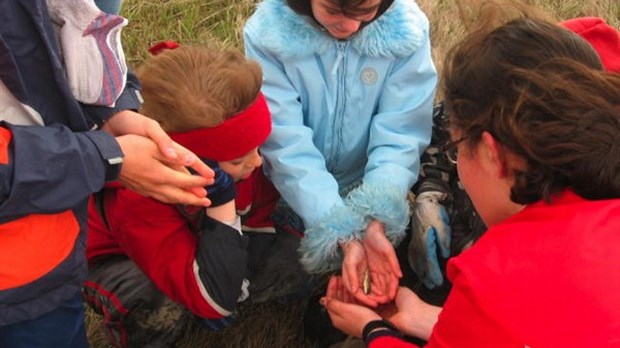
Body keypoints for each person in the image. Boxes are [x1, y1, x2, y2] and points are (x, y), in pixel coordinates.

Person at [321, 13, 620, 347]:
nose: (456, 158)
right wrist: (423, 316)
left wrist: (373, 331)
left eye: (457, 147)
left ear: (493, 154)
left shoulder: (494, 278)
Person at [0, 1, 214, 347]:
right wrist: (102, 158)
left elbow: (64, 26)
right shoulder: (134, 208)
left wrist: (112, 106)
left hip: (51, 243)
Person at [83, 41, 281, 347]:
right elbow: (212, 300)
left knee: (289, 261)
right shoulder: (137, 199)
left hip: (194, 229)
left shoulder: (235, 165)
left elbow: (259, 212)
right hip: (118, 257)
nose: (256, 163)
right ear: (188, 159)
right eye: (239, 159)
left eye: (257, 147)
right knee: (154, 305)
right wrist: (223, 207)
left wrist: (238, 275)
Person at [244, 0, 438, 306]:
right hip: (288, 191)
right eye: (332, 10)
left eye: (364, 11)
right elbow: (286, 143)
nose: (348, 26)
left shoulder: (408, 32)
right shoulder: (268, 35)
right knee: (267, 282)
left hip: (366, 184)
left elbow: (401, 133)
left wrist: (375, 216)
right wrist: (339, 229)